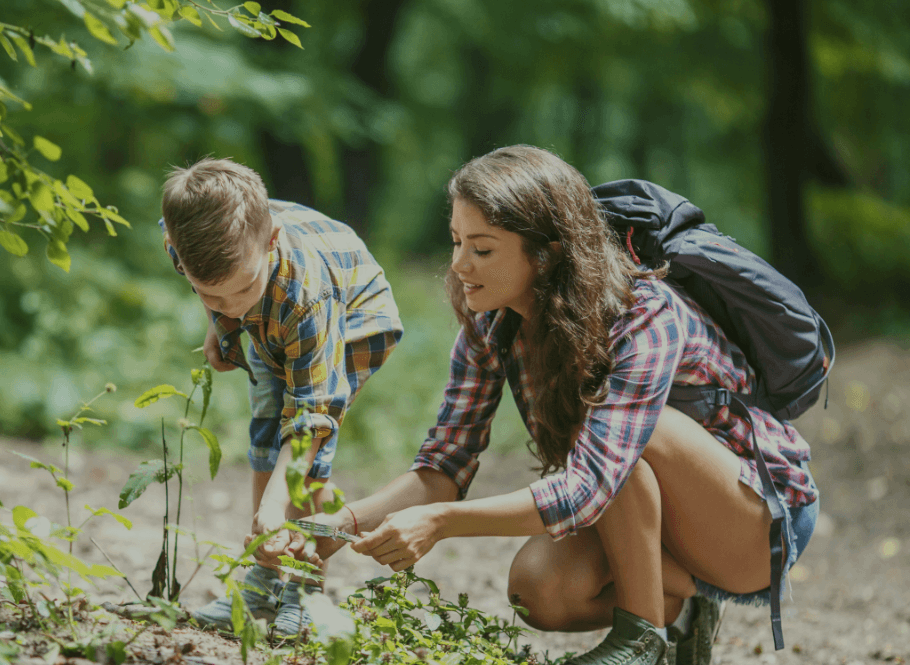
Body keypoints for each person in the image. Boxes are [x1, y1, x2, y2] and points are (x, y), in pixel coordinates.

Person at [298, 145, 820, 665]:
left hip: (757, 523)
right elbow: (444, 466)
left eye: (482, 249)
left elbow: (591, 483)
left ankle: (640, 640)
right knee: (539, 590)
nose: (459, 265)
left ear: (546, 253)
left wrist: (442, 521)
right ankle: (678, 613)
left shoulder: (644, 314)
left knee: (639, 434)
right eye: (457, 241)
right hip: (646, 510)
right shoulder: (492, 324)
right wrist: (338, 527)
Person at [159, 158, 402, 635]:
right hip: (272, 324)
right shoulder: (184, 239)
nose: (233, 303)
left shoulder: (307, 295)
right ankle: (262, 582)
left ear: (270, 242)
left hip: (353, 320)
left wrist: (271, 509)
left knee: (307, 458)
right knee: (265, 434)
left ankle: (305, 587)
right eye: (213, 294)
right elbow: (230, 294)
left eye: (242, 288)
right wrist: (218, 322)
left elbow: (312, 418)